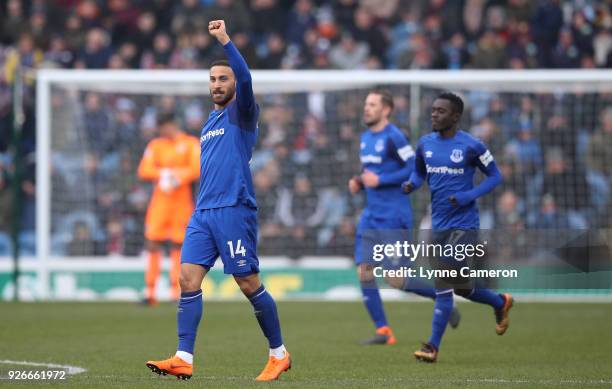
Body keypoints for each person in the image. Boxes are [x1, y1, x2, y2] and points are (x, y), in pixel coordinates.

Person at [146, 20, 291, 381]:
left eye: (222, 79)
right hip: (203, 213)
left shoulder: (242, 114)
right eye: (212, 80)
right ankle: (183, 357)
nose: (216, 85)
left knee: (247, 283)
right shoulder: (209, 122)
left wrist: (225, 40)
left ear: (233, 84)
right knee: (187, 279)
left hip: (233, 210)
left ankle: (279, 354)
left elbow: (245, 79)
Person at [403, 92, 514, 363]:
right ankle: (500, 302)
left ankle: (432, 347)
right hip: (438, 224)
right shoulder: (425, 144)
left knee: (442, 283)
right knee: (461, 288)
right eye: (433, 110)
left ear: (455, 116)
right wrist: (412, 184)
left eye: (440, 111)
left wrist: (468, 196)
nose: (434, 114)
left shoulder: (472, 146)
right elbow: (419, 172)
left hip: (464, 226)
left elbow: (495, 176)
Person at [348, 89, 460, 345]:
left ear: (386, 110)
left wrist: (380, 180)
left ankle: (443, 297)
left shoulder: (394, 137)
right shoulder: (366, 137)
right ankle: (383, 331)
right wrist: (359, 182)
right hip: (371, 216)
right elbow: (372, 173)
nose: (367, 108)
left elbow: (414, 169)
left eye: (372, 104)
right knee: (364, 271)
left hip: (394, 217)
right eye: (366, 104)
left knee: (395, 279)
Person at [137, 113, 200, 304]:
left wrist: (178, 177)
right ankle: (150, 292)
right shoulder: (155, 145)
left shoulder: (190, 143)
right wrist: (163, 173)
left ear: (173, 125)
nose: (162, 132)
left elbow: (197, 168)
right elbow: (143, 170)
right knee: (152, 243)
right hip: (160, 202)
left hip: (181, 202)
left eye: (164, 127)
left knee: (178, 245)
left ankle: (177, 292)